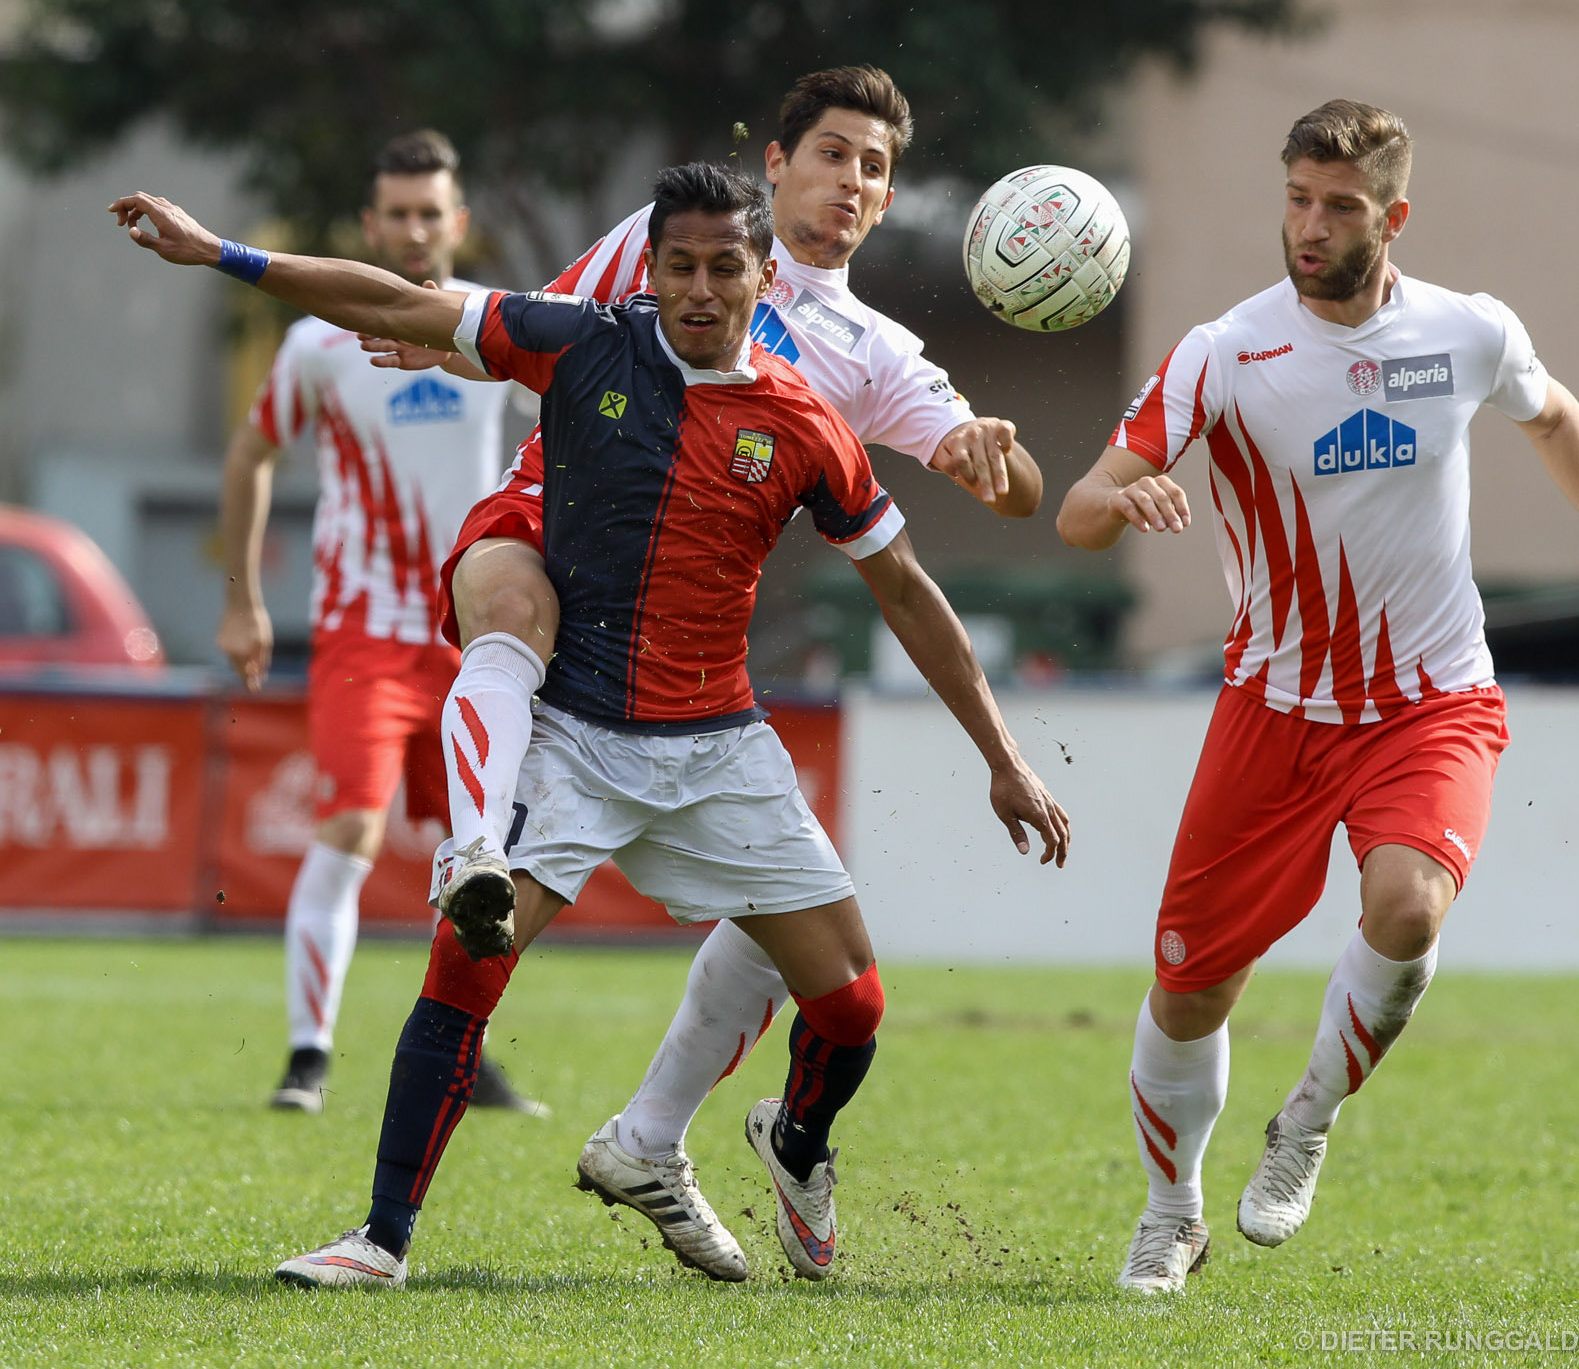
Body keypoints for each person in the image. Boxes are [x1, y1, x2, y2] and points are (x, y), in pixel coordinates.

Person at [111, 161, 1070, 1289]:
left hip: (719, 750)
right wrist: (222, 251)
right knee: (470, 957)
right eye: (680, 267)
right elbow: (392, 300)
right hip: (576, 737)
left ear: (766, 278)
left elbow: (906, 588)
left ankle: (794, 1142)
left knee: (853, 1005)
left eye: (726, 268)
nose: (701, 290)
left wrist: (1004, 759)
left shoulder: (808, 424)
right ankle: (379, 1240)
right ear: (650, 269)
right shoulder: (579, 341)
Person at [368, 66, 1051, 1270]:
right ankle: (386, 1217)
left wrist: (1003, 456)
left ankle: (658, 1137)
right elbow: (532, 326)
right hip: (554, 557)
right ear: (776, 164)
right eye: (832, 153)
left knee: (808, 950)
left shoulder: (872, 353)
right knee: (506, 624)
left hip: (696, 672)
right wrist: (436, 334)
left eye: (875, 168)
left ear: (888, 203)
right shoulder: (671, 235)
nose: (851, 181)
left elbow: (986, 495)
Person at [1056, 99, 1579, 1295]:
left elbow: (1553, 415)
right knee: (1191, 985)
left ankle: (1304, 1121)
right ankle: (1171, 1208)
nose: (1309, 224)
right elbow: (1082, 504)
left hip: (1431, 699)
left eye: (1339, 206)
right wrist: (1124, 502)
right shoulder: (1222, 352)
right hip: (1275, 706)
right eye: (1297, 198)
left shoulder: (1467, 330)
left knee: (1407, 908)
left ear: (1392, 217)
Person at [215, 130, 543, 1117]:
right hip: (361, 632)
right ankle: (309, 1056)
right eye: (394, 213)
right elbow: (250, 455)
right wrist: (241, 598)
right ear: (369, 224)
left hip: (468, 638)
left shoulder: (497, 337)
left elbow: (562, 444)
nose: (411, 229)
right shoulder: (319, 341)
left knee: (480, 856)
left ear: (459, 224)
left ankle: (464, 1056)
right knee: (353, 825)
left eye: (427, 212)